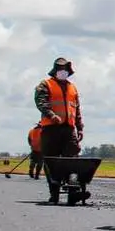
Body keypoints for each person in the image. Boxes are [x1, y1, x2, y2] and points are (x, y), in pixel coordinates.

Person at [34, 57, 83, 204]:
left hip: (69, 130)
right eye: (61, 69)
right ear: (55, 70)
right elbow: (40, 102)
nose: (63, 72)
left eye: (66, 70)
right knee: (51, 161)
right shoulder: (45, 85)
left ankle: (73, 191)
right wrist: (52, 115)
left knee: (72, 160)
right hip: (51, 130)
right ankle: (54, 193)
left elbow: (77, 109)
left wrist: (80, 127)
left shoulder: (72, 88)